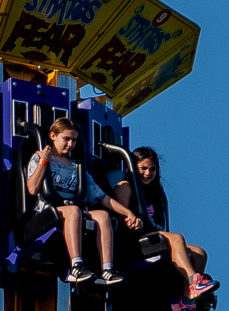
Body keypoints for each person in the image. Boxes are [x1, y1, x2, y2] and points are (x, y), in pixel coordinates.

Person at [24, 113, 141, 286]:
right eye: (66, 139)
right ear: (53, 136)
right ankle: (76, 266)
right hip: (46, 212)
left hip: (73, 211)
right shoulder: (39, 158)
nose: (70, 144)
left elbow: (102, 197)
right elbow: (32, 188)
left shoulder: (75, 167)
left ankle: (107, 269)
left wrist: (128, 213)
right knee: (74, 211)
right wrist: (43, 161)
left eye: (74, 140)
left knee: (102, 215)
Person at [130, 147, 216, 311]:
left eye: (152, 169)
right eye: (143, 169)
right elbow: (125, 217)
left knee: (200, 253)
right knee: (177, 238)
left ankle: (186, 303)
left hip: (154, 237)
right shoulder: (127, 187)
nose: (148, 173)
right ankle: (194, 280)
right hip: (134, 240)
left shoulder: (155, 193)